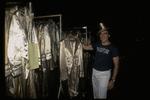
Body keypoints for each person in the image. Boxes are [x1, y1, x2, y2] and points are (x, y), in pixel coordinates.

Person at [82, 23, 120, 99]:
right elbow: (85, 47)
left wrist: (113, 80)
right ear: (99, 36)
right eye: (101, 34)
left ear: (109, 35)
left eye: (105, 33)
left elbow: (116, 65)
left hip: (104, 75)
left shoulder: (113, 48)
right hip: (95, 72)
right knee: (95, 95)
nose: (103, 36)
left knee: (101, 96)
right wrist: (77, 39)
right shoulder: (97, 44)